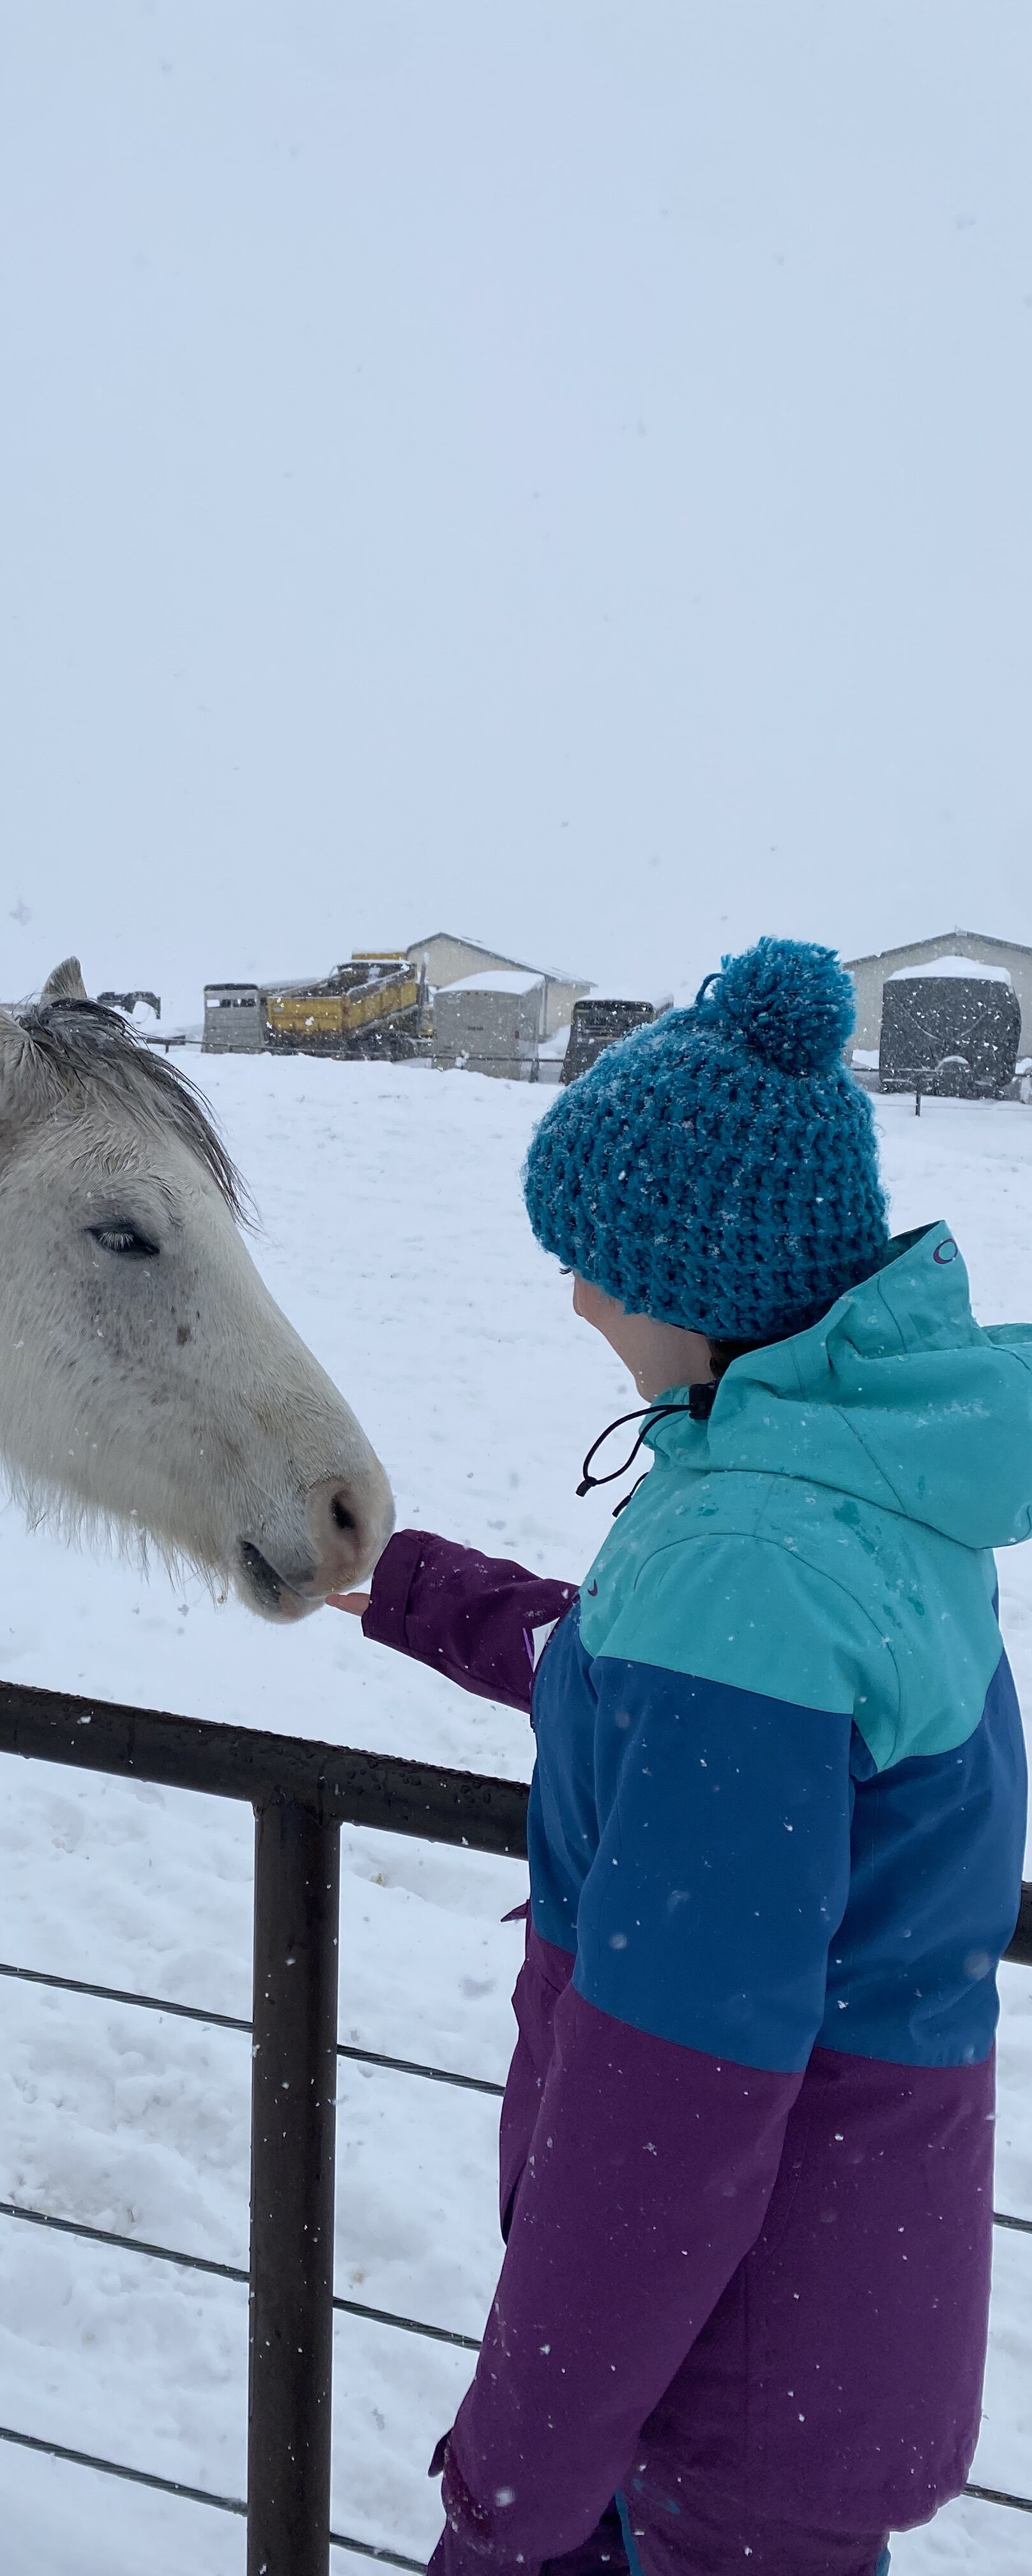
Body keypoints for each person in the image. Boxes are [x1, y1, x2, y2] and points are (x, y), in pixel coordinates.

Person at [331, 938, 1032, 2576]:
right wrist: (433, 1597)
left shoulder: (752, 1565)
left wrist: (514, 2489)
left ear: (686, 1281)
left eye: (591, 1257)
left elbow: (673, 2109)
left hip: (711, 2396)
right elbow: (666, 1710)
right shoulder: (824, 1485)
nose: (573, 1291)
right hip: (813, 2334)